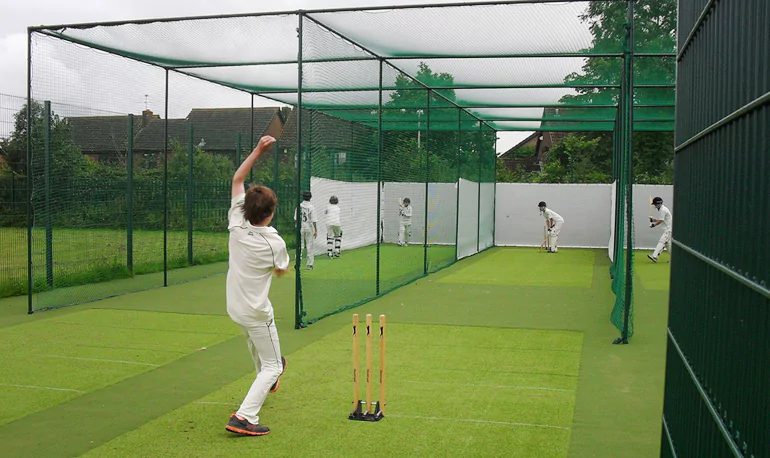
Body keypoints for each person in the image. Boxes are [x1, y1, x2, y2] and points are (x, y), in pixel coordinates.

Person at [224, 136, 289, 437]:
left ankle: (264, 379)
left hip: (234, 307)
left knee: (259, 350)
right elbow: (281, 270)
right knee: (274, 365)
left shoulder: (236, 220)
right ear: (270, 212)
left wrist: (258, 152)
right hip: (256, 310)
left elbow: (238, 178)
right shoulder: (274, 241)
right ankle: (244, 417)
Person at [294, 190, 317, 270]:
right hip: (309, 227)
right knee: (309, 246)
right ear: (310, 197)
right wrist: (315, 230)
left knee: (300, 245)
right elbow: (314, 220)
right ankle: (309, 264)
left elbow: (296, 219)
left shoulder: (299, 206)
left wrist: (297, 226)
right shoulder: (312, 207)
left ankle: (298, 262)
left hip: (300, 227)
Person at [647, 196, 672, 263]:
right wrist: (653, 220)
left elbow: (660, 221)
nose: (655, 206)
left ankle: (654, 256)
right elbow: (661, 220)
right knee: (668, 245)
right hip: (669, 229)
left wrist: (653, 225)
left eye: (655, 204)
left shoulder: (663, 210)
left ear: (659, 204)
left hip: (668, 230)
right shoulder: (662, 209)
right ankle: (675, 259)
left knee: (661, 241)